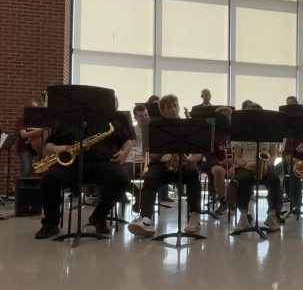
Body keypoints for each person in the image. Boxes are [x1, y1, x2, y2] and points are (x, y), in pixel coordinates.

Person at [34, 105, 132, 239]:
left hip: (100, 163)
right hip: (71, 165)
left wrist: (125, 152)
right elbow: (48, 145)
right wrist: (58, 149)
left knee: (122, 179)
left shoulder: (110, 122)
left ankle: (99, 216)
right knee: (48, 180)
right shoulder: (67, 121)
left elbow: (127, 140)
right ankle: (50, 224)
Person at [127, 95, 204, 237]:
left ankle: (194, 217)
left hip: (185, 164)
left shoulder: (190, 126)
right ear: (162, 111)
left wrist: (190, 160)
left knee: (193, 173)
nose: (173, 109)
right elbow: (151, 156)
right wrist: (166, 151)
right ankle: (145, 219)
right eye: (169, 107)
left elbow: (198, 153)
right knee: (150, 177)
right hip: (162, 164)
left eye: (175, 105)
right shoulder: (155, 128)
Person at [231, 103, 283, 232]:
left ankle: (271, 215)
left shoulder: (270, 131)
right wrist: (246, 165)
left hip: (265, 164)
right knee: (243, 179)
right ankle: (243, 216)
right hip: (246, 164)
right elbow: (236, 157)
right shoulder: (240, 132)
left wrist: (267, 165)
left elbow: (273, 153)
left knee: (275, 179)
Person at [15, 100, 43, 178]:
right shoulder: (22, 119)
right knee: (26, 170)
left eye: (37, 109)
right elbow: (23, 135)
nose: (35, 111)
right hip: (25, 148)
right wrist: (39, 131)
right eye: (33, 108)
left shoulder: (41, 121)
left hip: (40, 149)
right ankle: (23, 188)